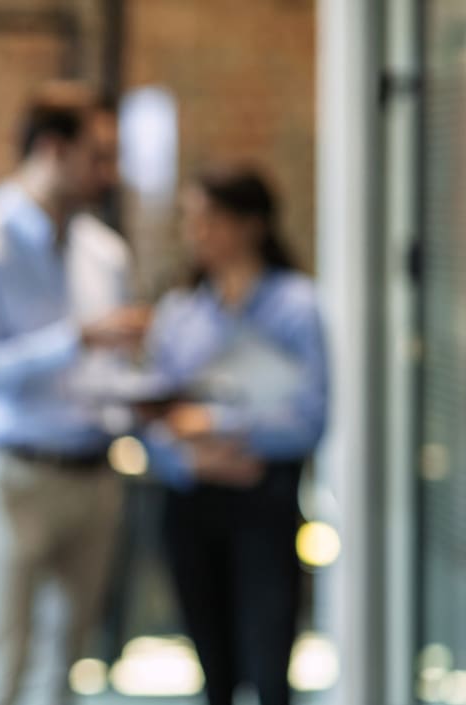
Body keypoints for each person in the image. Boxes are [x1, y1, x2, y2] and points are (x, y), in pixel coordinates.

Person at [0, 83, 150, 705]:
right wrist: (74, 339)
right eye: (99, 155)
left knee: (66, 670)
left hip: (97, 476)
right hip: (14, 479)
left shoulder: (106, 254)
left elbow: (109, 374)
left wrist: (146, 398)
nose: (111, 173)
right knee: (4, 664)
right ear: (53, 148)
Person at [140, 165, 328, 705]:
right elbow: (152, 414)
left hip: (263, 498)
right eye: (191, 220)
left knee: (269, 663)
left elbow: (311, 416)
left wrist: (221, 427)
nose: (197, 233)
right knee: (212, 668)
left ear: (250, 225)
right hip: (191, 499)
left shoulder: (296, 306)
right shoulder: (180, 312)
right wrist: (189, 462)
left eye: (210, 220)